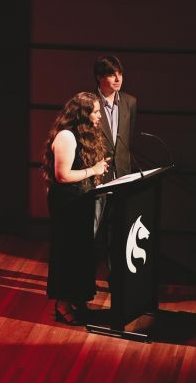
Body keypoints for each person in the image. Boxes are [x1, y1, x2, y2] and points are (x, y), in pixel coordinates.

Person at [43, 92, 110, 325]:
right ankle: (62, 305)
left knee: (80, 253)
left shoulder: (84, 135)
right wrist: (93, 171)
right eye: (95, 111)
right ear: (82, 114)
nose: (99, 115)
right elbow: (62, 176)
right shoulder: (66, 137)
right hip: (68, 204)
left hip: (80, 201)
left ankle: (76, 299)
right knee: (67, 253)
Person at [93, 55, 138, 245]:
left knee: (118, 232)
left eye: (120, 74)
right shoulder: (90, 103)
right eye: (112, 75)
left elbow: (127, 140)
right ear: (99, 77)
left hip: (122, 175)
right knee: (93, 229)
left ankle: (116, 275)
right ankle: (85, 273)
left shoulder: (130, 102)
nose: (118, 79)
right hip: (97, 177)